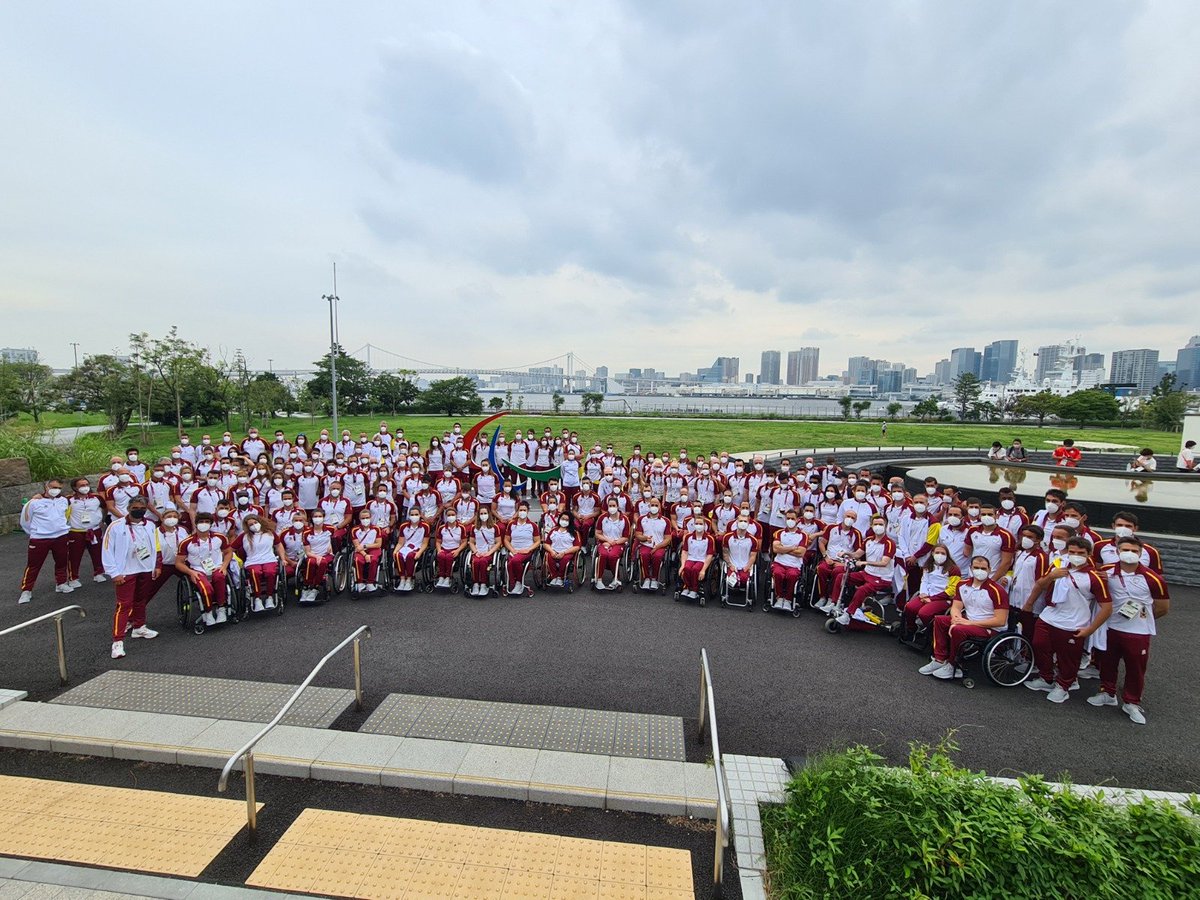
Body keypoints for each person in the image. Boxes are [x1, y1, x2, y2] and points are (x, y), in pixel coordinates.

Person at [1089, 536, 1169, 725]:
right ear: (1117, 551)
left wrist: (1141, 620)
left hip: (1138, 632)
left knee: (1136, 667)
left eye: (1134, 551)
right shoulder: (1106, 571)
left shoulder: (1153, 579)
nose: (1130, 554)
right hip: (1110, 626)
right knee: (1107, 662)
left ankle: (1132, 702)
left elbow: (1162, 608)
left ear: (1141, 553)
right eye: (1125, 550)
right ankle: (1107, 692)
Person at [1024, 536, 1111, 703]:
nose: (1075, 555)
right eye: (1072, 552)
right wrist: (1051, 576)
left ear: (1089, 554)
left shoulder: (1094, 576)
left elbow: (1107, 607)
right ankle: (1046, 678)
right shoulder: (1058, 566)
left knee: (1068, 658)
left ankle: (1064, 685)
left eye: (1080, 553)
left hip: (1074, 622)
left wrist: (1090, 629)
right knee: (1039, 645)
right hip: (1049, 616)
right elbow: (1041, 583)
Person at [918, 557, 1009, 680]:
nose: (979, 571)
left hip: (990, 628)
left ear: (989, 570)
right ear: (971, 568)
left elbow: (1000, 620)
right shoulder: (962, 585)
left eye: (983, 568)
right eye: (976, 568)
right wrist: (956, 618)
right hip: (967, 621)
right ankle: (939, 659)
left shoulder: (997, 591)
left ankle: (954, 665)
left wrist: (968, 623)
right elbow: (956, 607)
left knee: (958, 629)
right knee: (940, 620)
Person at [101, 497, 161, 658]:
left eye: (142, 507)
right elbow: (106, 550)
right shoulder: (115, 526)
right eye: (135, 507)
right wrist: (113, 572)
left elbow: (156, 546)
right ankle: (118, 641)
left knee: (141, 600)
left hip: (146, 568)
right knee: (124, 605)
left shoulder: (150, 525)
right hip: (125, 571)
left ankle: (139, 627)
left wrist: (157, 565)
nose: (139, 510)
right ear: (128, 508)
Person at [833, 514, 896, 626]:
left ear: (885, 526)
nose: (878, 526)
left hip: (881, 578)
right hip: (867, 573)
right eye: (875, 524)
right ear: (871, 526)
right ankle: (835, 604)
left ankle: (848, 614)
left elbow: (884, 562)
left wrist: (865, 562)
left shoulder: (889, 543)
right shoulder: (868, 540)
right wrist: (847, 553)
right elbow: (857, 554)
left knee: (862, 590)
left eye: (881, 524)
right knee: (842, 577)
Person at [18, 480, 71, 604]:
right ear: (46, 487)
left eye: (58, 488)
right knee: (34, 565)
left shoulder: (63, 500)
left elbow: (66, 516)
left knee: (62, 562)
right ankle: (26, 590)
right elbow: (25, 521)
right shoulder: (34, 503)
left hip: (61, 536)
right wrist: (35, 532)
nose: (56, 490)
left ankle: (61, 583)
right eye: (53, 487)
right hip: (40, 538)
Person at [900, 545, 960, 638]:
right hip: (927, 595)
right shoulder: (928, 565)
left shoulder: (953, 569)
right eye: (937, 553)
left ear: (947, 555)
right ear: (932, 553)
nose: (940, 555)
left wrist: (932, 599)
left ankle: (931, 633)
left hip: (943, 598)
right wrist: (923, 594)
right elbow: (924, 581)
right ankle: (911, 628)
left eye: (943, 553)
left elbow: (952, 590)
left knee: (924, 613)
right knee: (909, 607)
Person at [232, 515, 286, 612]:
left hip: (269, 559)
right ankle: (257, 599)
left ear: (260, 522)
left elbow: (279, 545)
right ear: (247, 527)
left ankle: (270, 597)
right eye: (251, 524)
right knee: (255, 573)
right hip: (252, 561)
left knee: (270, 572)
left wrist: (283, 558)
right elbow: (231, 549)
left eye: (255, 523)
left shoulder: (270, 533)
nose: (254, 525)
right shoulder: (243, 537)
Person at [65, 477, 106, 588]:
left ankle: (98, 573)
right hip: (76, 531)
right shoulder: (69, 499)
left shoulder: (97, 498)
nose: (85, 487)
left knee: (97, 552)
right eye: (81, 485)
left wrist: (102, 520)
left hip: (94, 530)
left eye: (86, 484)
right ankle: (73, 577)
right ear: (75, 487)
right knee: (74, 555)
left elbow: (105, 507)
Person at [769, 511, 808, 610]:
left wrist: (784, 549)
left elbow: (801, 553)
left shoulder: (803, 535)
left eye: (792, 519)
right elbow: (775, 549)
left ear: (797, 520)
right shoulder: (779, 533)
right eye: (788, 518)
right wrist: (792, 548)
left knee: (792, 575)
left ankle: (788, 599)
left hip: (794, 565)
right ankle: (779, 597)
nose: (790, 521)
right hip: (779, 563)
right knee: (777, 573)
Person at [503, 502, 540, 596]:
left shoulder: (532, 525)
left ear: (528, 511)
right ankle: (514, 582)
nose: (522, 512)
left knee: (514, 561)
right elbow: (506, 540)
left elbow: (537, 541)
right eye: (520, 510)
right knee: (510, 563)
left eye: (524, 510)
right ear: (517, 511)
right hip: (514, 550)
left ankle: (517, 582)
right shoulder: (512, 524)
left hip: (526, 551)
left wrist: (528, 549)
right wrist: (512, 550)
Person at [593, 500, 630, 591]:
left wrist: (614, 542)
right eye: (610, 505)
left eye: (614, 505)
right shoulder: (602, 518)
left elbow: (625, 537)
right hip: (604, 542)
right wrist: (607, 540)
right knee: (603, 554)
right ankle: (599, 579)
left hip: (619, 543)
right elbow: (597, 533)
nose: (612, 507)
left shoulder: (624, 519)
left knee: (613, 555)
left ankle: (616, 578)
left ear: (617, 506)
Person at [677, 515, 715, 600]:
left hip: (702, 560)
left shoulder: (709, 539)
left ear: (704, 525)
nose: (699, 525)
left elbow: (709, 555)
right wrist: (682, 565)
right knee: (686, 568)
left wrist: (703, 570)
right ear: (694, 525)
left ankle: (694, 590)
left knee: (695, 569)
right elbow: (685, 551)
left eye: (701, 524)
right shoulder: (688, 537)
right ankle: (686, 587)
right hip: (690, 558)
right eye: (697, 523)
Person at [467, 509, 501, 596]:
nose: (483, 515)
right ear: (478, 515)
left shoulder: (495, 527)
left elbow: (498, 542)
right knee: (476, 561)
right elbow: (471, 542)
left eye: (485, 513)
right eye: (481, 513)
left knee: (482, 561)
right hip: (478, 551)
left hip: (489, 552)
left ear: (489, 514)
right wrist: (476, 551)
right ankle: (475, 584)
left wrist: (490, 553)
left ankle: (483, 584)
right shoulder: (474, 528)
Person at [543, 514, 581, 587]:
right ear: (559, 519)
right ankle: (553, 576)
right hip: (554, 551)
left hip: (567, 552)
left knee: (565, 559)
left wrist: (564, 553)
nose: (564, 521)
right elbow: (546, 544)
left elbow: (577, 546)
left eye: (567, 520)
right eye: (563, 519)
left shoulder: (574, 532)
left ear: (570, 522)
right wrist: (552, 551)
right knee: (548, 556)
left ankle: (560, 577)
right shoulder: (553, 530)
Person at [433, 511, 468, 589]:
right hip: (444, 548)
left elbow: (464, 542)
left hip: (455, 549)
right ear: (446, 517)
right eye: (449, 515)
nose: (451, 516)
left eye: (453, 515)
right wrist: (439, 550)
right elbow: (438, 541)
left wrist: (458, 550)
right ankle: (441, 576)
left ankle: (448, 577)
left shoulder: (461, 527)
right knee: (441, 556)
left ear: (456, 516)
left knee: (449, 557)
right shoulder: (441, 528)